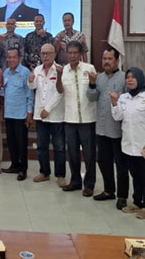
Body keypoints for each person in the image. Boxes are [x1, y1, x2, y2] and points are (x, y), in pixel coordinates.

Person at [111, 67, 145, 220]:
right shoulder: (124, 97)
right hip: (128, 145)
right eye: (128, 77)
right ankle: (137, 202)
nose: (130, 80)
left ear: (140, 78)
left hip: (144, 145)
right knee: (135, 175)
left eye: (133, 77)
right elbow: (118, 117)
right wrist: (114, 103)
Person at [86, 47, 129, 209]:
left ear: (117, 61)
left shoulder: (124, 78)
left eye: (110, 59)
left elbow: (130, 101)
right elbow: (91, 98)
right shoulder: (99, 78)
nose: (106, 62)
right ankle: (109, 190)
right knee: (103, 161)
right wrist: (91, 84)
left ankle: (122, 195)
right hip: (102, 128)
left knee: (121, 164)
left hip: (118, 130)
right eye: (104, 59)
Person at [57, 41, 97, 196]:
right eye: (70, 53)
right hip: (70, 119)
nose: (72, 56)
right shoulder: (63, 71)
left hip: (87, 119)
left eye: (75, 53)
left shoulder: (89, 68)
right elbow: (60, 91)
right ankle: (75, 181)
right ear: (66, 54)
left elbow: (95, 92)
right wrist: (59, 76)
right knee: (72, 154)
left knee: (89, 155)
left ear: (80, 54)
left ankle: (89, 185)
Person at [28, 43, 66, 187]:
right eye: (43, 53)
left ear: (54, 54)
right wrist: (30, 81)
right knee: (42, 146)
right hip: (40, 116)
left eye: (48, 53)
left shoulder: (60, 70)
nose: (45, 56)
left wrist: (48, 109)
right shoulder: (37, 69)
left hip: (55, 115)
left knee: (59, 147)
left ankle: (60, 175)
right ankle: (44, 172)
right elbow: (33, 87)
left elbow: (60, 93)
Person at [0, 48, 34, 180]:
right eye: (9, 57)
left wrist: (29, 113)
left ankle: (23, 169)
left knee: (21, 143)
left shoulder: (25, 72)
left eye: (14, 57)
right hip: (9, 113)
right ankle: (14, 165)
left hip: (21, 115)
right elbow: (4, 92)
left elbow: (30, 94)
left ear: (19, 58)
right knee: (11, 142)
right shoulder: (6, 72)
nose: (11, 60)